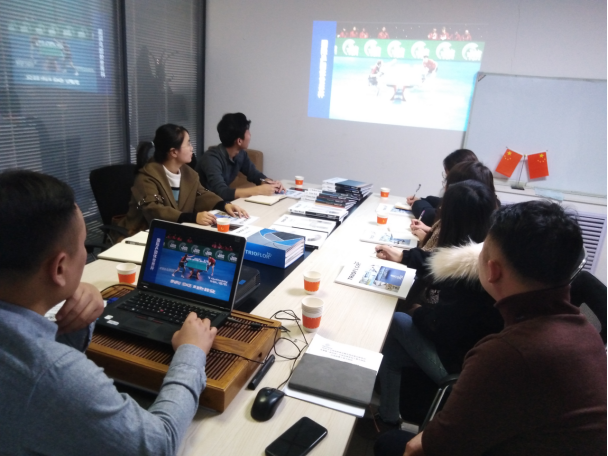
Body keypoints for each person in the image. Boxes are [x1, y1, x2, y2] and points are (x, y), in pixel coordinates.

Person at [0, 169, 218, 455]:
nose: (85, 252)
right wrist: (192, 353)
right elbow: (158, 445)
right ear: (60, 268)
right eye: (82, 246)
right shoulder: (51, 372)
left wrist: (80, 301)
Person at [376, 200, 607, 456]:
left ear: (492, 270)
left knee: (390, 444)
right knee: (395, 353)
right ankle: (388, 415)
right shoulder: (585, 333)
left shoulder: (507, 353)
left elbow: (430, 447)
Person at [369, 181, 502, 434]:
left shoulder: (472, 275)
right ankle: (388, 420)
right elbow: (441, 262)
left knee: (397, 319)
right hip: (469, 353)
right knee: (392, 352)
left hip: (459, 367)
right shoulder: (484, 252)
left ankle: (400, 419)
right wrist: (405, 257)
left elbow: (440, 327)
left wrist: (417, 311)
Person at [119, 123, 247, 236]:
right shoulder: (146, 177)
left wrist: (224, 205)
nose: (192, 148)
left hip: (174, 232)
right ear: (174, 152)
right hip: (141, 235)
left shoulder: (189, 174)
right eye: (188, 143)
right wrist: (192, 218)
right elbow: (154, 210)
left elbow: (201, 194)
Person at [376, 160, 495, 271]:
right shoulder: (483, 219)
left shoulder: (466, 257)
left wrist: (404, 256)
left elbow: (444, 262)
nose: (445, 187)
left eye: (448, 182)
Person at [197, 113, 285, 201]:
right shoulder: (211, 159)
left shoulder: (240, 154)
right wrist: (258, 190)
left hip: (220, 203)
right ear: (239, 141)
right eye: (247, 131)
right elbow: (222, 192)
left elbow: (255, 174)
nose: (250, 135)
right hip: (204, 204)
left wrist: (270, 183)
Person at [407, 148, 478, 226]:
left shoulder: (466, 204)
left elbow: (429, 216)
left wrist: (417, 203)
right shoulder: (475, 195)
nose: (446, 180)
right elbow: (441, 202)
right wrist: (422, 199)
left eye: (447, 176)